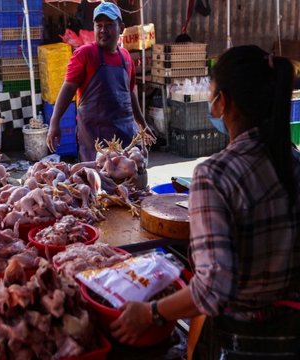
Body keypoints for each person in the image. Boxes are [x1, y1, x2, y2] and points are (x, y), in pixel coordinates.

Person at [110, 45, 300, 358]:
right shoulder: (293, 162)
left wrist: (150, 312)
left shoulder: (214, 176)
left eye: (211, 90)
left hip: (243, 344)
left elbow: (213, 289)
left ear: (220, 103)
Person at [46, 2, 155, 162]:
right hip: (95, 139)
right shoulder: (85, 54)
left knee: (129, 181)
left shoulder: (126, 57)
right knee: (98, 181)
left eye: (109, 25)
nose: (103, 30)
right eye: (99, 25)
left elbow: (130, 93)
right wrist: (54, 122)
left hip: (125, 134)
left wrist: (142, 123)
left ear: (121, 28)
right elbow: (68, 88)